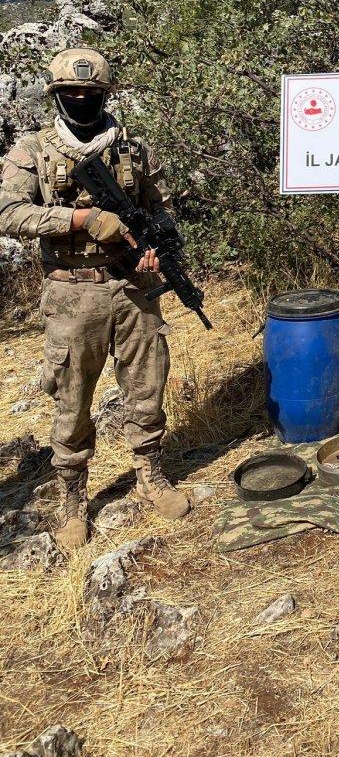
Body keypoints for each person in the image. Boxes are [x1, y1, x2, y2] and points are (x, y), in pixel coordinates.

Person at [0, 48, 190, 549]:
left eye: (91, 94)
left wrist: (154, 251)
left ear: (105, 95)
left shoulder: (131, 146)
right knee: (72, 398)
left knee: (147, 384)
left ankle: (150, 473)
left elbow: (160, 207)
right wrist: (78, 220)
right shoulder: (34, 149)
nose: (82, 100)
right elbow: (8, 212)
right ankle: (73, 497)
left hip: (132, 287)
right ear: (57, 95)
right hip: (70, 290)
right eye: (71, 94)